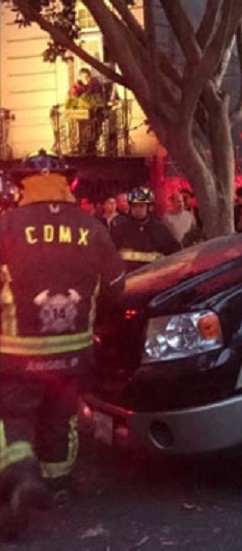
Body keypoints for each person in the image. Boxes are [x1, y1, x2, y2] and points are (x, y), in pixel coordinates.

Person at [0, 151, 125, 540]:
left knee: (12, 416)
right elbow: (116, 289)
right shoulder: (92, 228)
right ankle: (57, 487)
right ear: (67, 184)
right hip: (74, 353)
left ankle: (22, 474)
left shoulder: (6, 225)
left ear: (23, 185)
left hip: (17, 355)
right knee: (61, 417)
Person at [111, 186, 180, 272]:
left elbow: (174, 254)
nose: (137, 209)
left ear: (149, 207)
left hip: (154, 275)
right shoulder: (120, 230)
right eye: (134, 206)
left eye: (141, 206)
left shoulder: (160, 230)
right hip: (129, 276)